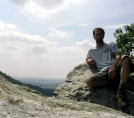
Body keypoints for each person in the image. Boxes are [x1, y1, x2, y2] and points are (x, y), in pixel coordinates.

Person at [86, 27, 133, 108]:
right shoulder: (91, 51)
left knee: (126, 58)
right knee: (89, 82)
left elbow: (118, 55)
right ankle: (112, 82)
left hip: (115, 67)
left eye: (100, 34)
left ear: (103, 35)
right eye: (96, 34)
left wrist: (113, 67)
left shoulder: (111, 44)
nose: (98, 36)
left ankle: (120, 93)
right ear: (93, 36)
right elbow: (87, 59)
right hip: (104, 72)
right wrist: (89, 60)